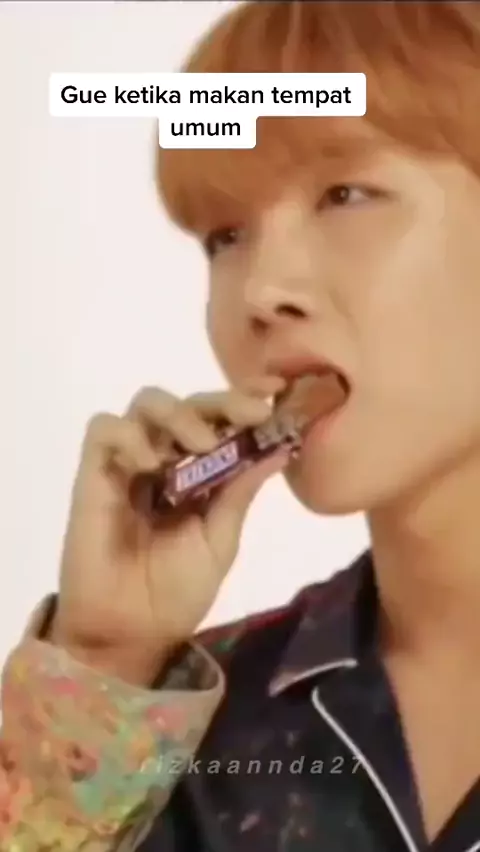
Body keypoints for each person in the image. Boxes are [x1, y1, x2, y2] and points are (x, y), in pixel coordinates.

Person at [4, 0, 480, 849]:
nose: (260, 291)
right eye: (226, 236)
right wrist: (101, 663)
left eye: (345, 194)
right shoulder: (181, 733)